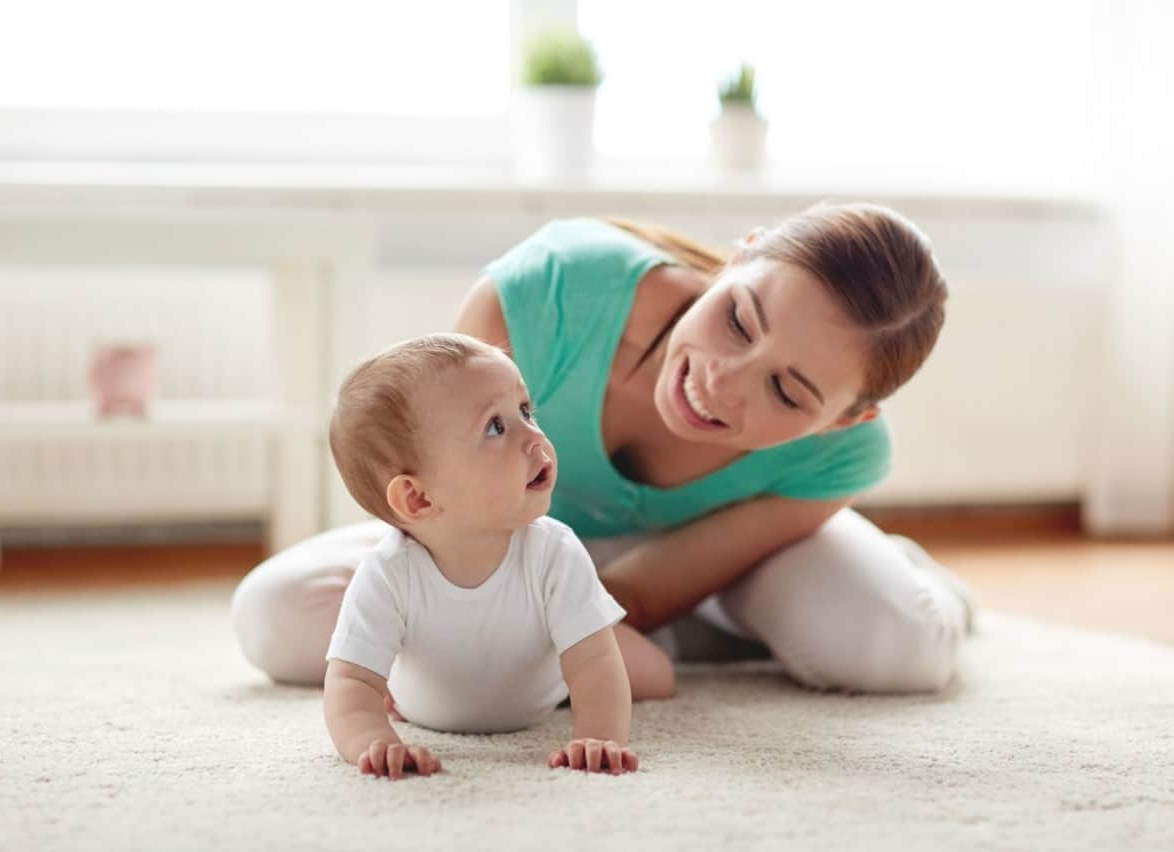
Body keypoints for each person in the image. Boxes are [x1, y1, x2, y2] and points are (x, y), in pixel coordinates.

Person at [231, 202, 973, 700]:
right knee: (277, 617)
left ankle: (904, 577)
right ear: (736, 259)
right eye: (740, 321)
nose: (721, 380)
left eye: (787, 392)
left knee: (896, 648)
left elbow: (646, 595)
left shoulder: (843, 456)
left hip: (711, 563)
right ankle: (701, 640)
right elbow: (441, 497)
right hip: (496, 535)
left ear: (849, 418)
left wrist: (526, 646)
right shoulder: (550, 291)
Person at [323, 334, 651, 779]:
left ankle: (625, 636)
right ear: (418, 499)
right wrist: (375, 744)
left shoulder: (554, 550)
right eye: (495, 427)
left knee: (651, 674)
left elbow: (594, 663)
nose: (534, 437)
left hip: (545, 696)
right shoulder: (387, 573)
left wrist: (598, 736)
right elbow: (352, 684)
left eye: (525, 411)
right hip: (421, 708)